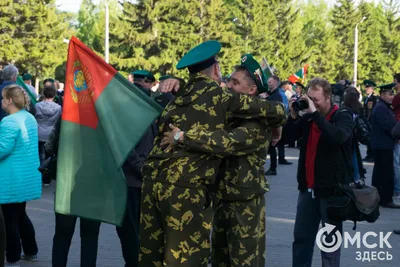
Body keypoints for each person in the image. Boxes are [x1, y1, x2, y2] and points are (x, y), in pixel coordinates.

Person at [138, 40, 286, 267]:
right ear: (216, 69)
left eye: (234, 82)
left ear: (252, 91)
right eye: (228, 80)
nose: (227, 85)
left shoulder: (253, 121)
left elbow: (227, 141)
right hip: (212, 198)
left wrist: (183, 136)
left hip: (243, 204)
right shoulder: (221, 104)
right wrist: (175, 81)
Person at [283, 78, 354, 267]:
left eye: (317, 100)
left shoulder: (342, 116)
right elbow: (287, 137)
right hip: (307, 190)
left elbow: (338, 137)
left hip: (332, 192)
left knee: (330, 246)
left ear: (329, 98)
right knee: (301, 240)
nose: (312, 104)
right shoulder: (308, 118)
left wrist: (315, 115)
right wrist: (294, 116)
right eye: (310, 99)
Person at [45, 116, 102, 267]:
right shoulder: (104, 116)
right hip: (95, 184)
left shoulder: (67, 116)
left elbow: (49, 147)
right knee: (90, 237)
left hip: (67, 181)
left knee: (62, 235)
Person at [0, 84, 41, 267]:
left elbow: (3, 149)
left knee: (9, 219)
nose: (2, 101)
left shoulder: (9, 121)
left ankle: (13, 257)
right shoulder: (29, 117)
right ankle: (31, 251)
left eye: (3, 98)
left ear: (9, 100)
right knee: (20, 214)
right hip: (26, 176)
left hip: (10, 178)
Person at [371, 83, 400, 208]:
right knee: (385, 174)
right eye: (389, 94)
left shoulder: (384, 107)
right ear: (382, 94)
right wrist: (396, 134)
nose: (392, 97)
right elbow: (389, 126)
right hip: (383, 145)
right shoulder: (381, 108)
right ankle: (385, 199)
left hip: (383, 144)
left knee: (381, 173)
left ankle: (380, 198)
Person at [265, 76, 291, 176]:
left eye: (270, 82)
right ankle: (274, 165)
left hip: (274, 124)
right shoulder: (272, 94)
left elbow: (281, 110)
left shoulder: (279, 94)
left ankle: (273, 168)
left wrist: (278, 126)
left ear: (275, 83)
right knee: (272, 146)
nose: (268, 84)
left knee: (272, 146)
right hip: (270, 123)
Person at [35, 85, 62, 171]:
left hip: (39, 132)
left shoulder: (37, 106)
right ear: (54, 95)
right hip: (51, 133)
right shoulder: (58, 108)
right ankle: (47, 176)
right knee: (49, 155)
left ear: (43, 94)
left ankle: (39, 172)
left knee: (39, 153)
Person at [362, 80, 377, 162]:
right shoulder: (367, 98)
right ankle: (369, 154)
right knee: (368, 139)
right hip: (367, 120)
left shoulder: (372, 98)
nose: (366, 89)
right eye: (366, 87)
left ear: (372, 89)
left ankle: (371, 155)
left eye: (368, 88)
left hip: (370, 121)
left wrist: (367, 121)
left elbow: (369, 111)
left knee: (370, 139)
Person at [390, 74, 400, 199]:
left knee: (396, 163)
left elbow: (392, 107)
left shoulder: (398, 97)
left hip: (397, 129)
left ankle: (397, 189)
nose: (394, 85)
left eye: (395, 82)